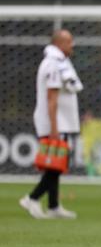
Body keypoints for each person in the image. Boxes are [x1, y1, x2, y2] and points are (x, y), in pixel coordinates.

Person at [21, 29, 82, 219]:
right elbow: (51, 98)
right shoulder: (53, 65)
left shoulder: (59, 62)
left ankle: (54, 206)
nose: (72, 45)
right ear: (59, 44)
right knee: (56, 164)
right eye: (69, 42)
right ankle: (32, 198)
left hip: (59, 122)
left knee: (55, 164)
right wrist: (54, 128)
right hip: (55, 123)